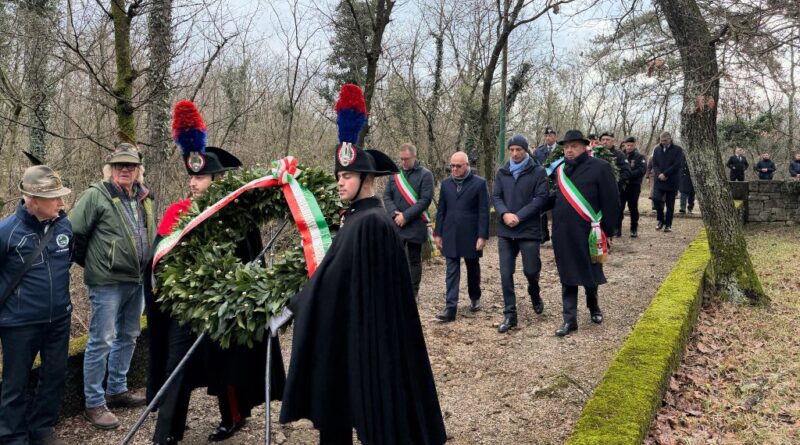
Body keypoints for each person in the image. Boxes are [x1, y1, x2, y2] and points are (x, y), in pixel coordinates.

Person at [280, 84, 447, 445]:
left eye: (348, 177)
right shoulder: (360, 219)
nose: (340, 183)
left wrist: (292, 306)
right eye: (339, 177)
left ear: (367, 180)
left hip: (366, 337)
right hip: (354, 330)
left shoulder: (369, 223)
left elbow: (331, 281)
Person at [147, 100, 285, 444]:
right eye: (191, 177)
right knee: (176, 367)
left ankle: (233, 417)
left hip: (225, 305)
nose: (194, 183)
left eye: (201, 177)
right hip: (186, 309)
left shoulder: (236, 215)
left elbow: (251, 259)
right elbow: (157, 259)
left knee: (229, 366)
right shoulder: (177, 213)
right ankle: (167, 433)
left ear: (217, 178)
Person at [70, 143, 154, 429]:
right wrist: (96, 263)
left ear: (139, 170)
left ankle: (116, 389)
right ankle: (94, 403)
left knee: (129, 334)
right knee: (101, 339)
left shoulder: (144, 196)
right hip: (106, 283)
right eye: (119, 165)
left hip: (136, 278)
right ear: (110, 169)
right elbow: (72, 235)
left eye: (130, 165)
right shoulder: (96, 195)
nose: (125, 169)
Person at [0, 166, 73, 445]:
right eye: (55, 197)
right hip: (19, 324)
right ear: (32, 200)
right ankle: (12, 437)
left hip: (58, 319)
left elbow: (66, 262)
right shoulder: (7, 231)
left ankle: (41, 427)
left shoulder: (63, 225)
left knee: (54, 377)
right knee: (15, 384)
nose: (62, 203)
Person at [546, 130, 620, 337]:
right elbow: (556, 197)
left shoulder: (600, 168)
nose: (569, 150)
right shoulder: (561, 170)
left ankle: (593, 306)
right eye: (566, 147)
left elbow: (611, 201)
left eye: (574, 146)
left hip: (589, 233)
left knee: (589, 272)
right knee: (566, 274)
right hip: (562, 232)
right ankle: (569, 320)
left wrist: (608, 231)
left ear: (584, 147)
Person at [492, 134, 548, 333]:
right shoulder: (502, 172)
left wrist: (519, 216)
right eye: (512, 150)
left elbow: (541, 198)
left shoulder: (538, 171)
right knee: (506, 273)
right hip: (506, 231)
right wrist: (505, 213)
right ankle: (510, 314)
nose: (515, 154)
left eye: (519, 150)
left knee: (531, 270)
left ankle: (534, 291)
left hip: (528, 230)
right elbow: (496, 196)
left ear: (526, 151)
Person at [434, 151, 490, 322]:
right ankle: (450, 307)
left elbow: (484, 211)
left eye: (458, 166)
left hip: (471, 233)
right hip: (450, 232)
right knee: (451, 270)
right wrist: (438, 233)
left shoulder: (479, 184)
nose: (454, 169)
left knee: (472, 267)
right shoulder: (446, 184)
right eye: (452, 166)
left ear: (467, 166)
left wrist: (482, 236)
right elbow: (441, 209)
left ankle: (475, 297)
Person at [382, 142, 435, 298]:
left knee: (414, 259)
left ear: (414, 157)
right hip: (396, 223)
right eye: (401, 159)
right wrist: (394, 213)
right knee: (395, 258)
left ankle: (413, 293)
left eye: (406, 159)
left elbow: (425, 200)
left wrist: (406, 216)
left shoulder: (426, 175)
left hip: (415, 223)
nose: (403, 162)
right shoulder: (395, 174)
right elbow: (387, 196)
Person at [599, 132, 632, 237]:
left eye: (608, 139)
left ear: (613, 141)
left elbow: (627, 171)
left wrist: (616, 181)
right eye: (603, 139)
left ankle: (615, 229)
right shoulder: (596, 153)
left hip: (614, 189)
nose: (605, 142)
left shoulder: (619, 154)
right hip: (598, 189)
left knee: (614, 210)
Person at [651, 131, 684, 233]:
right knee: (656, 199)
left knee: (670, 204)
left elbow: (677, 164)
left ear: (670, 139)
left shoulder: (678, 150)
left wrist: (665, 174)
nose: (663, 142)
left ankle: (668, 225)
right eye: (661, 140)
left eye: (665, 140)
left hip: (672, 180)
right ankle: (660, 219)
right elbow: (654, 163)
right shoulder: (657, 149)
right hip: (659, 180)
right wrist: (659, 174)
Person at [534, 127, 557, 243]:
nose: (548, 138)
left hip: (558, 184)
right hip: (543, 184)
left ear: (555, 136)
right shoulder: (538, 151)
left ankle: (556, 236)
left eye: (551, 135)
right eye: (546, 136)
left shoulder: (561, 150)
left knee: (556, 211)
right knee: (541, 209)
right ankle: (543, 235)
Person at [619, 137, 646, 237]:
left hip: (633, 186)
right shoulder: (620, 155)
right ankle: (618, 228)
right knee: (619, 207)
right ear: (624, 145)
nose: (629, 147)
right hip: (621, 186)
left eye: (631, 145)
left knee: (633, 207)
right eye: (627, 145)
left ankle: (633, 228)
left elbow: (641, 170)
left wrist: (628, 174)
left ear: (634, 145)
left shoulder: (640, 157)